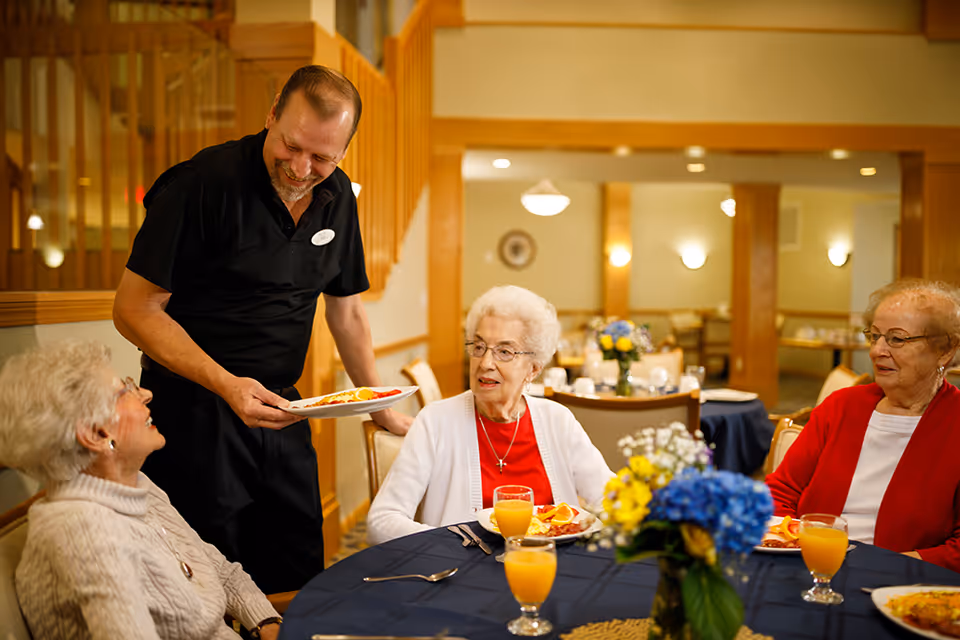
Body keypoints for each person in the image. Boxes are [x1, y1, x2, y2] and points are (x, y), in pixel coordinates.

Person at [112, 64, 412, 593]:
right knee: (208, 584)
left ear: (344, 151)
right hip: (194, 413)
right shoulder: (200, 185)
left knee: (299, 569)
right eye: (291, 145)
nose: (300, 168)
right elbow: (134, 310)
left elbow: (347, 313)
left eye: (322, 157)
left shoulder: (338, 196)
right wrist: (227, 383)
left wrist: (381, 406)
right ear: (272, 115)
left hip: (283, 409)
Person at [0, 340, 283, 640]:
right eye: (125, 391)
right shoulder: (82, 531)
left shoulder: (136, 486)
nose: (146, 394)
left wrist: (266, 623)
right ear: (96, 433)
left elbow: (220, 572)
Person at [367, 286, 614, 544]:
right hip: (460, 575)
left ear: (533, 369)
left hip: (550, 568)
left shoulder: (558, 421)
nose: (485, 363)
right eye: (479, 346)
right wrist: (453, 545)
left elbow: (611, 500)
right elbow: (382, 521)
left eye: (504, 352)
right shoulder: (435, 422)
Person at [767, 279, 960, 571]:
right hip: (807, 563)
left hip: (902, 585)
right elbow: (781, 489)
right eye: (874, 336)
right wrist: (789, 545)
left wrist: (878, 567)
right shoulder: (841, 406)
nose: (876, 351)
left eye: (896, 339)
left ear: (944, 350)